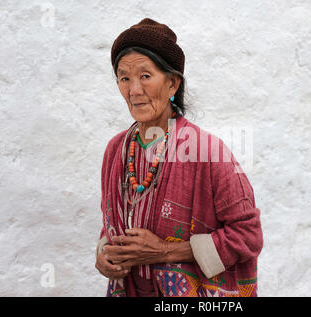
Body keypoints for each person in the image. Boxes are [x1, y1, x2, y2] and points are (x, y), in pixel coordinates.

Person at [95, 18, 263, 297]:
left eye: (145, 76)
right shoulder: (116, 150)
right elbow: (113, 221)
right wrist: (105, 254)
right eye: (124, 77)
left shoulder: (208, 151)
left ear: (172, 84)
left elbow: (248, 236)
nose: (134, 90)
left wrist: (164, 251)